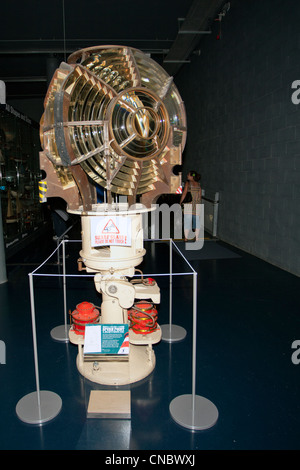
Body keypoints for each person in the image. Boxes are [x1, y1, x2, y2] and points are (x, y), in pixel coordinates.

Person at [179, 170, 202, 241]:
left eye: (188, 175)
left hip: (189, 204)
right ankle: (196, 237)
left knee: (187, 221)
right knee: (196, 222)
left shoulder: (188, 183)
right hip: (197, 205)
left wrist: (180, 202)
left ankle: (186, 238)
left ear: (192, 176)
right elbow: (200, 196)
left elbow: (184, 193)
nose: (187, 176)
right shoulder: (198, 184)